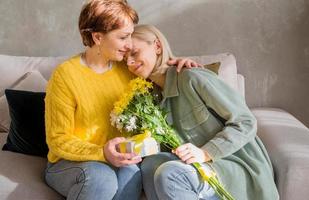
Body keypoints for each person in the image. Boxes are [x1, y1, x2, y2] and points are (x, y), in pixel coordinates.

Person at [44, 1, 198, 200]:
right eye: (123, 37)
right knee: (102, 178)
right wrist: (102, 152)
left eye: (131, 35)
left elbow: (161, 87)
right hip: (67, 163)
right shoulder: (65, 75)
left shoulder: (128, 69)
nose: (129, 44)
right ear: (98, 37)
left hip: (119, 159)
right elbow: (57, 139)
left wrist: (179, 68)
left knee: (132, 174)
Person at [125, 24, 280, 200]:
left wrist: (206, 152)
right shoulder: (150, 99)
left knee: (171, 174)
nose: (129, 63)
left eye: (135, 53)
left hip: (235, 165)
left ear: (157, 46)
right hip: (197, 169)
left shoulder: (192, 77)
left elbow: (245, 122)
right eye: (125, 58)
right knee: (151, 165)